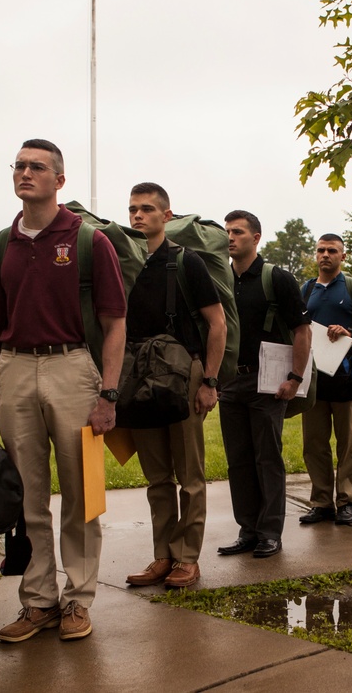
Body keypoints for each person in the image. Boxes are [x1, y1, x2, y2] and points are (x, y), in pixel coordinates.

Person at [0, 139, 126, 642]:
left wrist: (108, 394)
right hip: (15, 371)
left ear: (59, 180)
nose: (24, 173)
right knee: (28, 497)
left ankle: (78, 599)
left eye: (36, 166)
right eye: (18, 165)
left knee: (82, 494)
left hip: (73, 369)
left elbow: (114, 321)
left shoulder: (88, 241)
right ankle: (38, 601)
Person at [120, 183, 226, 587]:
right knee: (157, 476)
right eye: (132, 209)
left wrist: (210, 381)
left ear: (167, 216)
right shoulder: (124, 264)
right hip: (139, 376)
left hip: (185, 375)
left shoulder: (187, 262)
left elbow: (218, 323)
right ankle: (162, 555)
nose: (138, 216)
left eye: (147, 209)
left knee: (190, 474)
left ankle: (187, 557)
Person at [217, 210, 311, 558]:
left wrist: (295, 378)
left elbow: (302, 330)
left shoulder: (277, 279)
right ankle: (248, 530)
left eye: (238, 232)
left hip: (268, 382)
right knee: (238, 460)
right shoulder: (222, 279)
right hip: (231, 382)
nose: (230, 237)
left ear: (256, 238)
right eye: (227, 231)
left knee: (266, 459)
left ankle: (270, 532)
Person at [300, 234, 352, 525]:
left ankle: (345, 501)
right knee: (314, 443)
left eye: (332, 250)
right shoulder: (307, 288)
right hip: (313, 379)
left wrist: (350, 332)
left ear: (342, 256)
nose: (325, 255)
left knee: (348, 442)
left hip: (346, 376)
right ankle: (322, 503)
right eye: (321, 250)